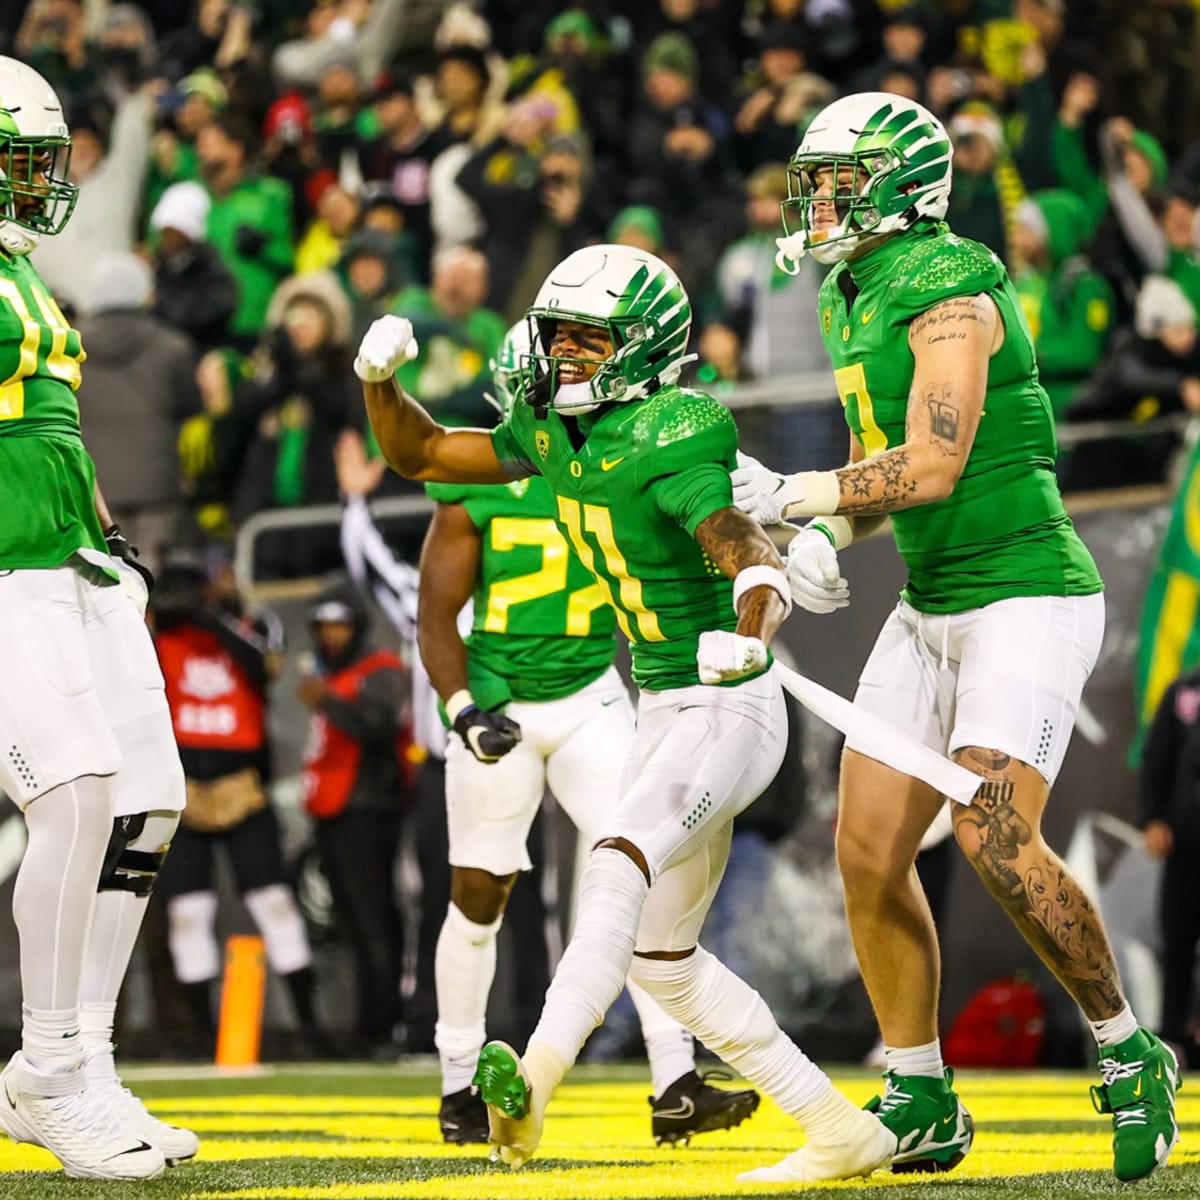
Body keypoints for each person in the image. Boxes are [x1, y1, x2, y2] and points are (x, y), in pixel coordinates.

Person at [356, 244, 898, 1184]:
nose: (561, 354)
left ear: (643, 348)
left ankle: (529, 1087)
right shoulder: (556, 429)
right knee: (661, 958)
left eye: (586, 338)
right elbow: (423, 451)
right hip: (662, 702)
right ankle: (839, 1127)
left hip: (730, 699)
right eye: (556, 333)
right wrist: (377, 383)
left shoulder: (673, 428)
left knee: (613, 866)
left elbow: (745, 548)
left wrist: (750, 625)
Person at [732, 91, 1179, 1183]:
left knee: (990, 835)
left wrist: (802, 494)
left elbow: (934, 460)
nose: (818, 201)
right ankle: (919, 1090)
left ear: (898, 184)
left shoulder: (949, 281)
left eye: (837, 179)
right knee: (867, 851)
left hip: (1026, 590)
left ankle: (1131, 1053)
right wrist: (839, 520)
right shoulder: (853, 287)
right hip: (933, 602)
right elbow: (881, 468)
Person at [417, 322, 759, 1146]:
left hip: (590, 695)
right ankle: (459, 1081)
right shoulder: (485, 485)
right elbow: (434, 613)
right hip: (503, 704)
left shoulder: (614, 462)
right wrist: (463, 707)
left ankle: (675, 1077)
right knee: (479, 895)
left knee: (638, 872)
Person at [0, 57, 193, 1179]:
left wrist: (110, 541)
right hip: (8, 564)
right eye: (18, 163)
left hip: (74, 553)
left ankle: (92, 1061)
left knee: (149, 800)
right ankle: (47, 1069)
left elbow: (51, 422)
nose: (37, 185)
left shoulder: (21, 271)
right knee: (71, 793)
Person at [152, 547, 322, 1054]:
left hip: (243, 786)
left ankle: (310, 1027)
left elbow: (260, 663)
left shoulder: (254, 622)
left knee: (275, 904)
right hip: (184, 789)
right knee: (189, 912)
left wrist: (207, 612)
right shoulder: (160, 631)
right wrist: (167, 603)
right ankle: (201, 1036)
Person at [299, 578, 412, 1058]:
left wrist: (328, 699)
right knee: (350, 922)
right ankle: (368, 1024)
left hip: (368, 810)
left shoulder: (379, 669)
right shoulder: (333, 673)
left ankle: (383, 1027)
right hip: (335, 812)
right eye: (323, 625)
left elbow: (381, 723)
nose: (330, 635)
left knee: (374, 921)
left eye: (339, 625)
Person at [1141, 666, 1200, 1066]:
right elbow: (1157, 755)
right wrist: (1153, 818)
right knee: (1177, 941)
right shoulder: (1185, 689)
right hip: (1185, 844)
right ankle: (1174, 1036)